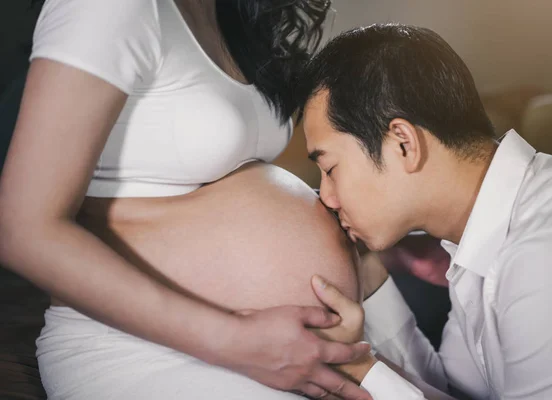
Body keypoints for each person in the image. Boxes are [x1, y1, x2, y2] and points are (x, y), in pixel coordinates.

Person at [0, 0, 373, 398]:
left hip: (269, 348)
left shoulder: (232, 16)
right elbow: (20, 230)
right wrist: (236, 341)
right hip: (145, 347)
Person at [299, 24, 552, 399]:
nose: (326, 196)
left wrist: (356, 368)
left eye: (329, 169)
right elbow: (453, 392)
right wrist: (369, 279)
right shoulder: (480, 232)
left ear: (403, 144)